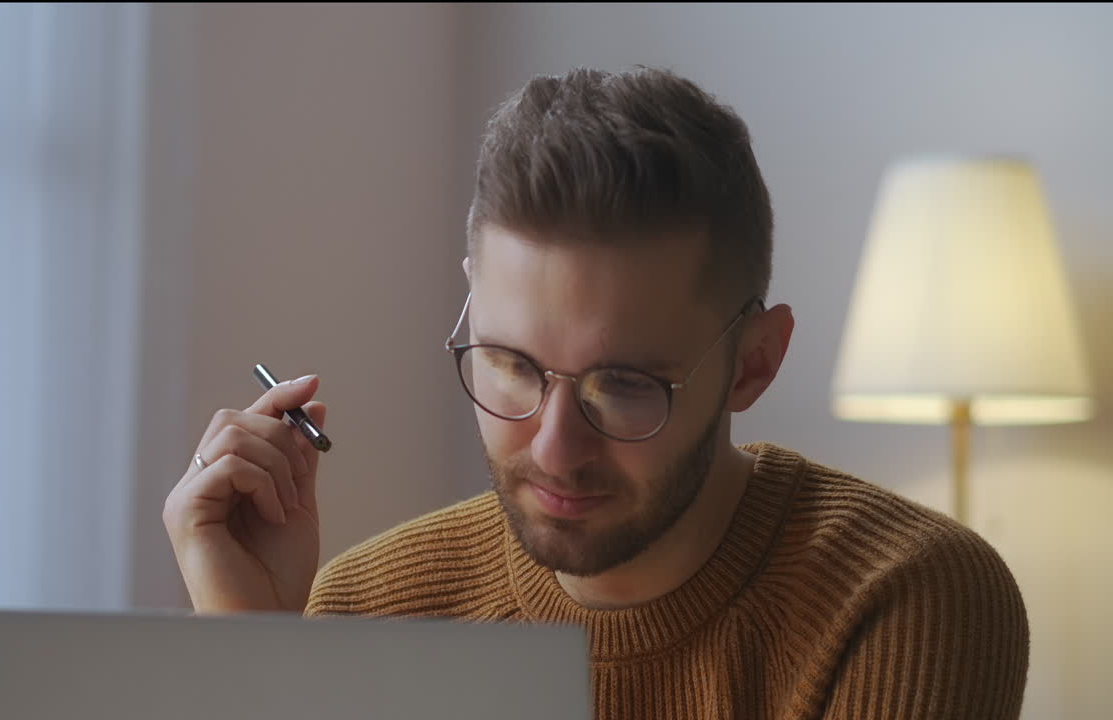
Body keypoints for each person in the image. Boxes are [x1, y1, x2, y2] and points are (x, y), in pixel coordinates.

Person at [163, 66, 1029, 719]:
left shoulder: (900, 597)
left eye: (624, 385)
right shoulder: (365, 609)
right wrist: (256, 658)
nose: (552, 448)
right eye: (509, 363)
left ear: (755, 364)